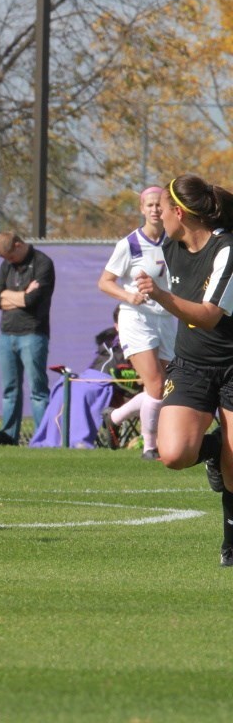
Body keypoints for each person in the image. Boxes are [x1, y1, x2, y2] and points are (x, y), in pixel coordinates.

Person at [133, 174, 233, 567]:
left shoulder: (226, 249)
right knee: (173, 454)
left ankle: (230, 544)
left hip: (232, 366)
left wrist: (160, 295)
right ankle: (212, 450)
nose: (156, 213)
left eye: (162, 206)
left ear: (179, 212)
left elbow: (208, 317)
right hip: (191, 365)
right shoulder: (171, 245)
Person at [97, 186, 174, 460]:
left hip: (168, 319)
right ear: (142, 209)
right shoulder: (129, 244)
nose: (155, 209)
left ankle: (115, 417)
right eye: (149, 205)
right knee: (154, 384)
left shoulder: (174, 240)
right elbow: (105, 282)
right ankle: (150, 447)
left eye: (159, 205)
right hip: (137, 318)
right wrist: (128, 296)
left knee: (164, 386)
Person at [0, 231, 55, 444]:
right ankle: (7, 439)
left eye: (10, 256)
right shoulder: (6, 266)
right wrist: (21, 296)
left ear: (18, 245)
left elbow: (33, 300)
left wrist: (11, 296)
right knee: (10, 391)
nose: (9, 262)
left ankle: (42, 438)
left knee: (38, 391)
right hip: (6, 335)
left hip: (33, 335)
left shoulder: (42, 263)